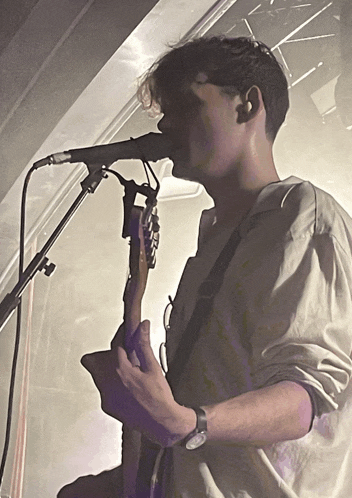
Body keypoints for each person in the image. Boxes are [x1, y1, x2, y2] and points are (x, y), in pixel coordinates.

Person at [58, 36, 352, 498]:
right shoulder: (217, 239)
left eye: (185, 105)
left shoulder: (300, 216)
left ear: (247, 105)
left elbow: (305, 399)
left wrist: (184, 422)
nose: (164, 122)